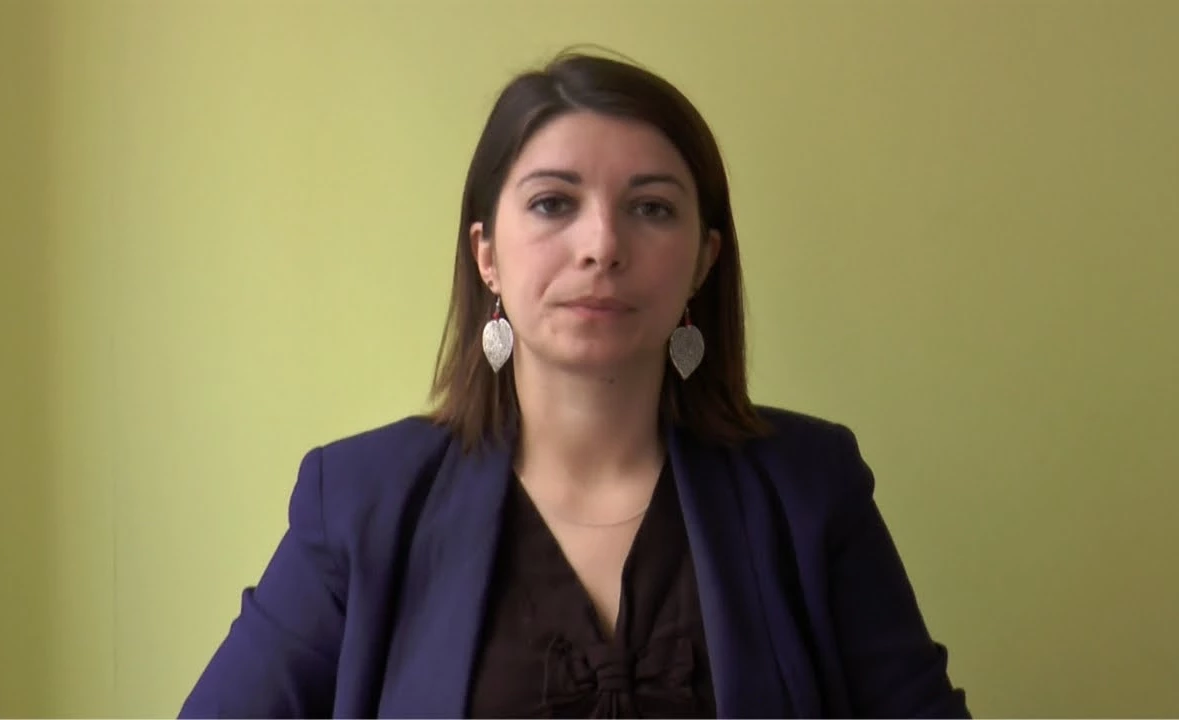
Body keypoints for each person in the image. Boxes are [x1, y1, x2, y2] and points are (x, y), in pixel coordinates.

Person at [179, 50, 970, 719]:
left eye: (651, 208)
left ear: (703, 260)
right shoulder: (359, 500)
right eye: (553, 203)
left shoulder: (811, 487)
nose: (601, 245)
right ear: (487, 254)